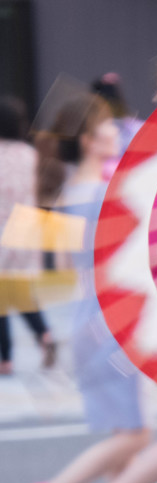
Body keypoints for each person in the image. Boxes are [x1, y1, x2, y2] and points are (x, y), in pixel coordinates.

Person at [21, 93, 157, 483]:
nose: (118, 132)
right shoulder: (99, 196)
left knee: (125, 424)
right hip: (113, 324)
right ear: (88, 141)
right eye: (108, 128)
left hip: (91, 321)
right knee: (135, 433)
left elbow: (63, 269)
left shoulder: (68, 191)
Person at [0, 96, 57, 374]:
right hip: (25, 229)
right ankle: (44, 335)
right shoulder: (29, 154)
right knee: (19, 290)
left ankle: (5, 359)